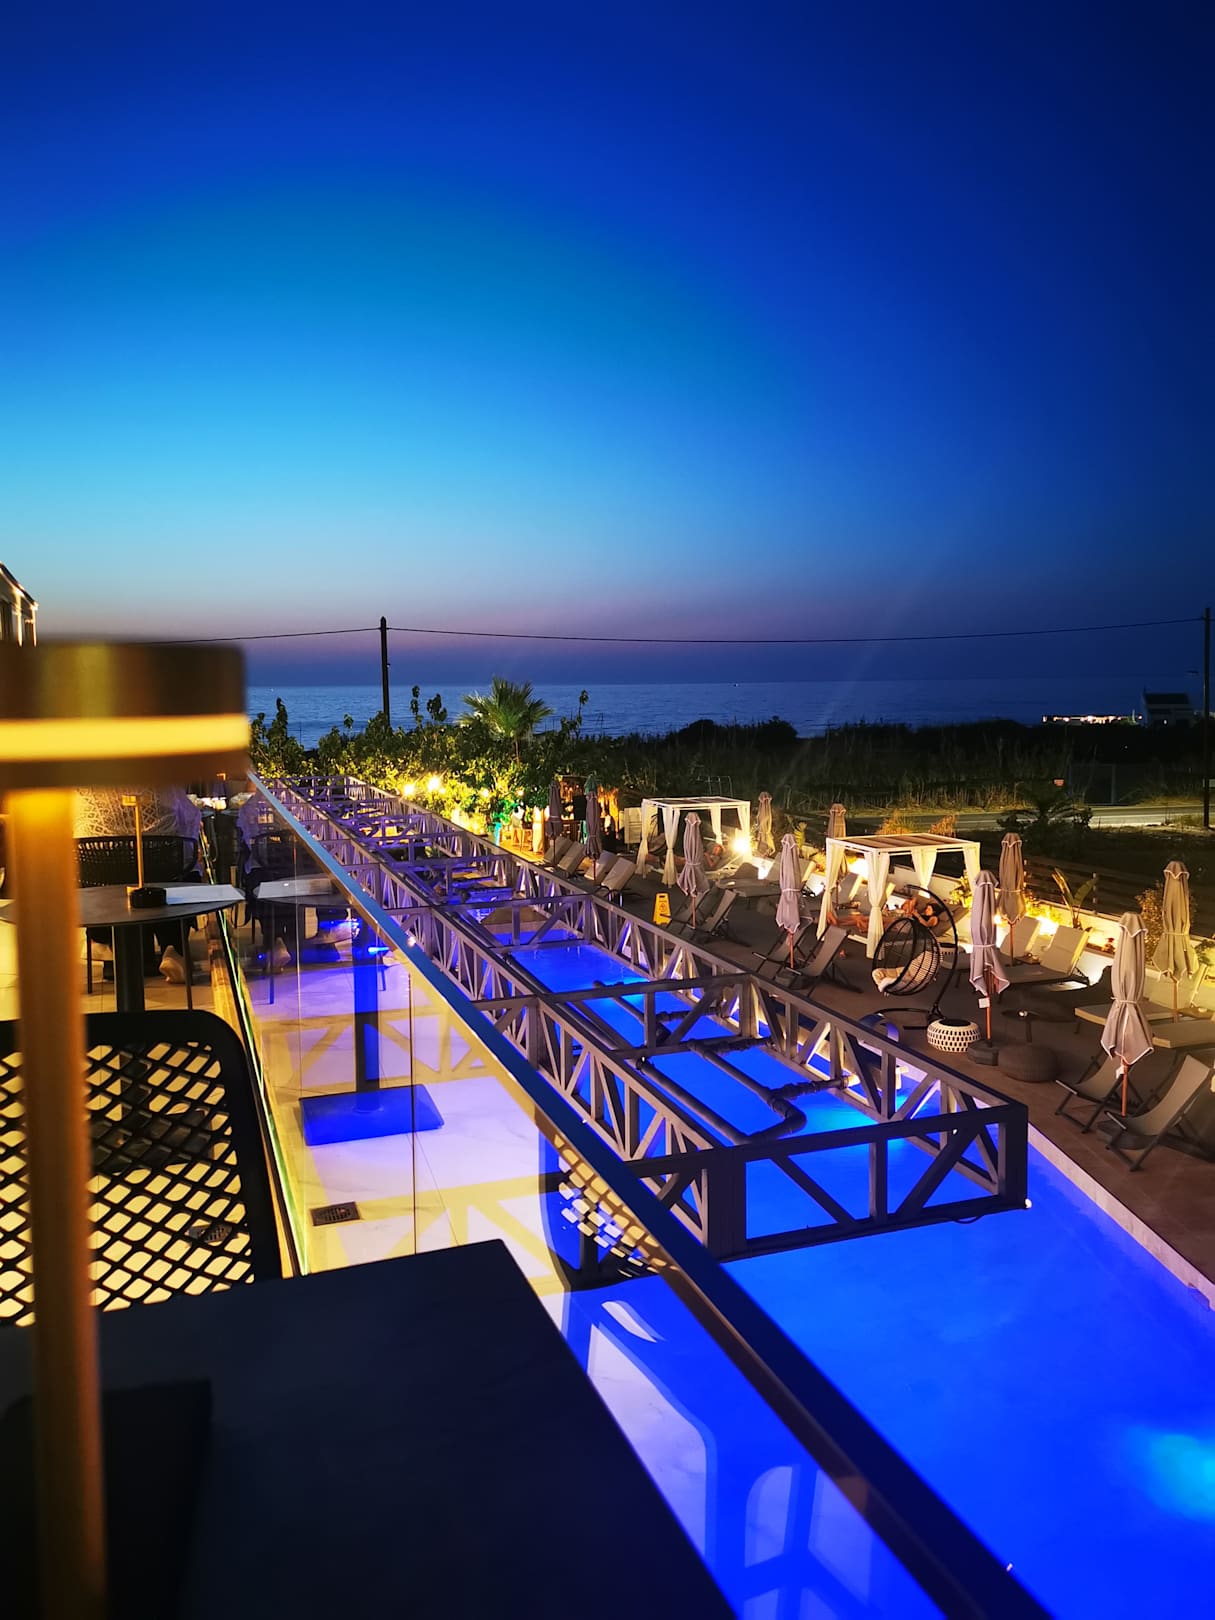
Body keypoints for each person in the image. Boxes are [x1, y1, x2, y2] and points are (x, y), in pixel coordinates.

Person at [75, 786, 203, 981]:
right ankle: (174, 948)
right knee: (178, 878)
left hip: (101, 873)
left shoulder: (84, 787)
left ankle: (104, 940)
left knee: (96, 881)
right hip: (159, 867)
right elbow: (189, 818)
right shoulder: (161, 781)